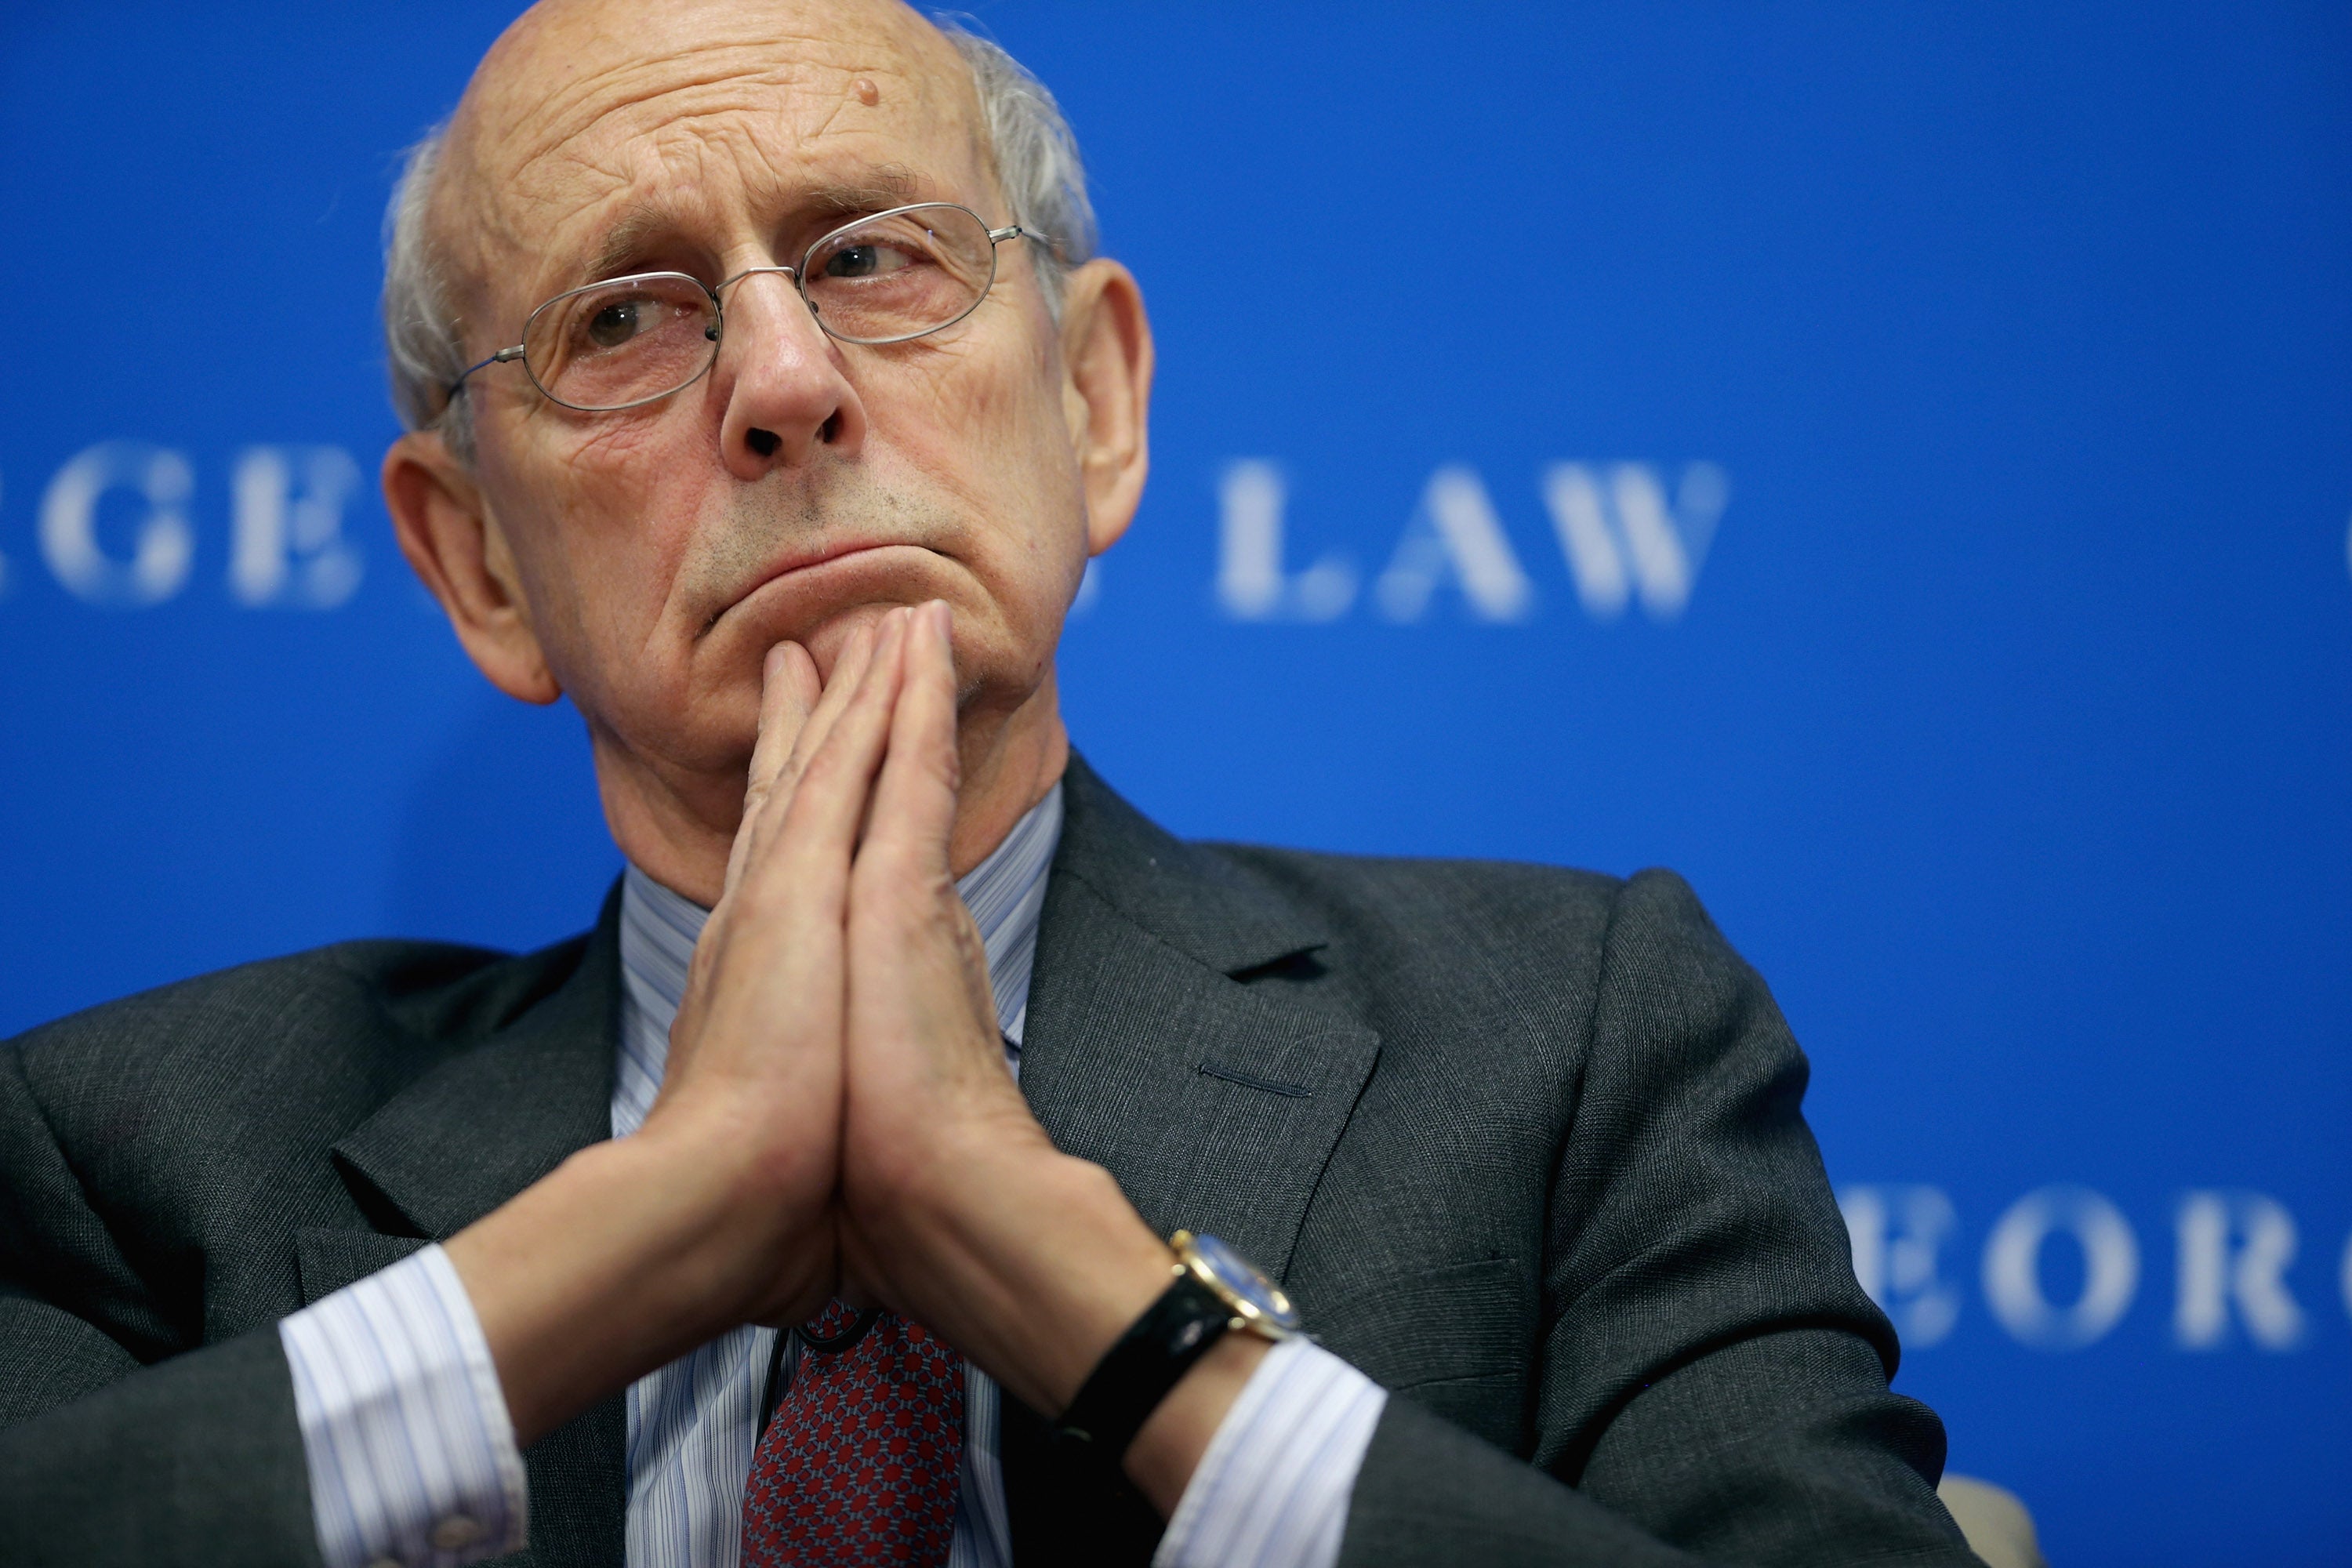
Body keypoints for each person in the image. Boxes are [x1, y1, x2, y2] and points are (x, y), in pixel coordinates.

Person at [0, 4, 1984, 1566]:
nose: (781, 380)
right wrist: (651, 1229)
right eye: (625, 317)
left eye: (869, 255)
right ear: (480, 565)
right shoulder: (132, 1154)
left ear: (1097, 402)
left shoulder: (1567, 1040)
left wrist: (1065, 1280)